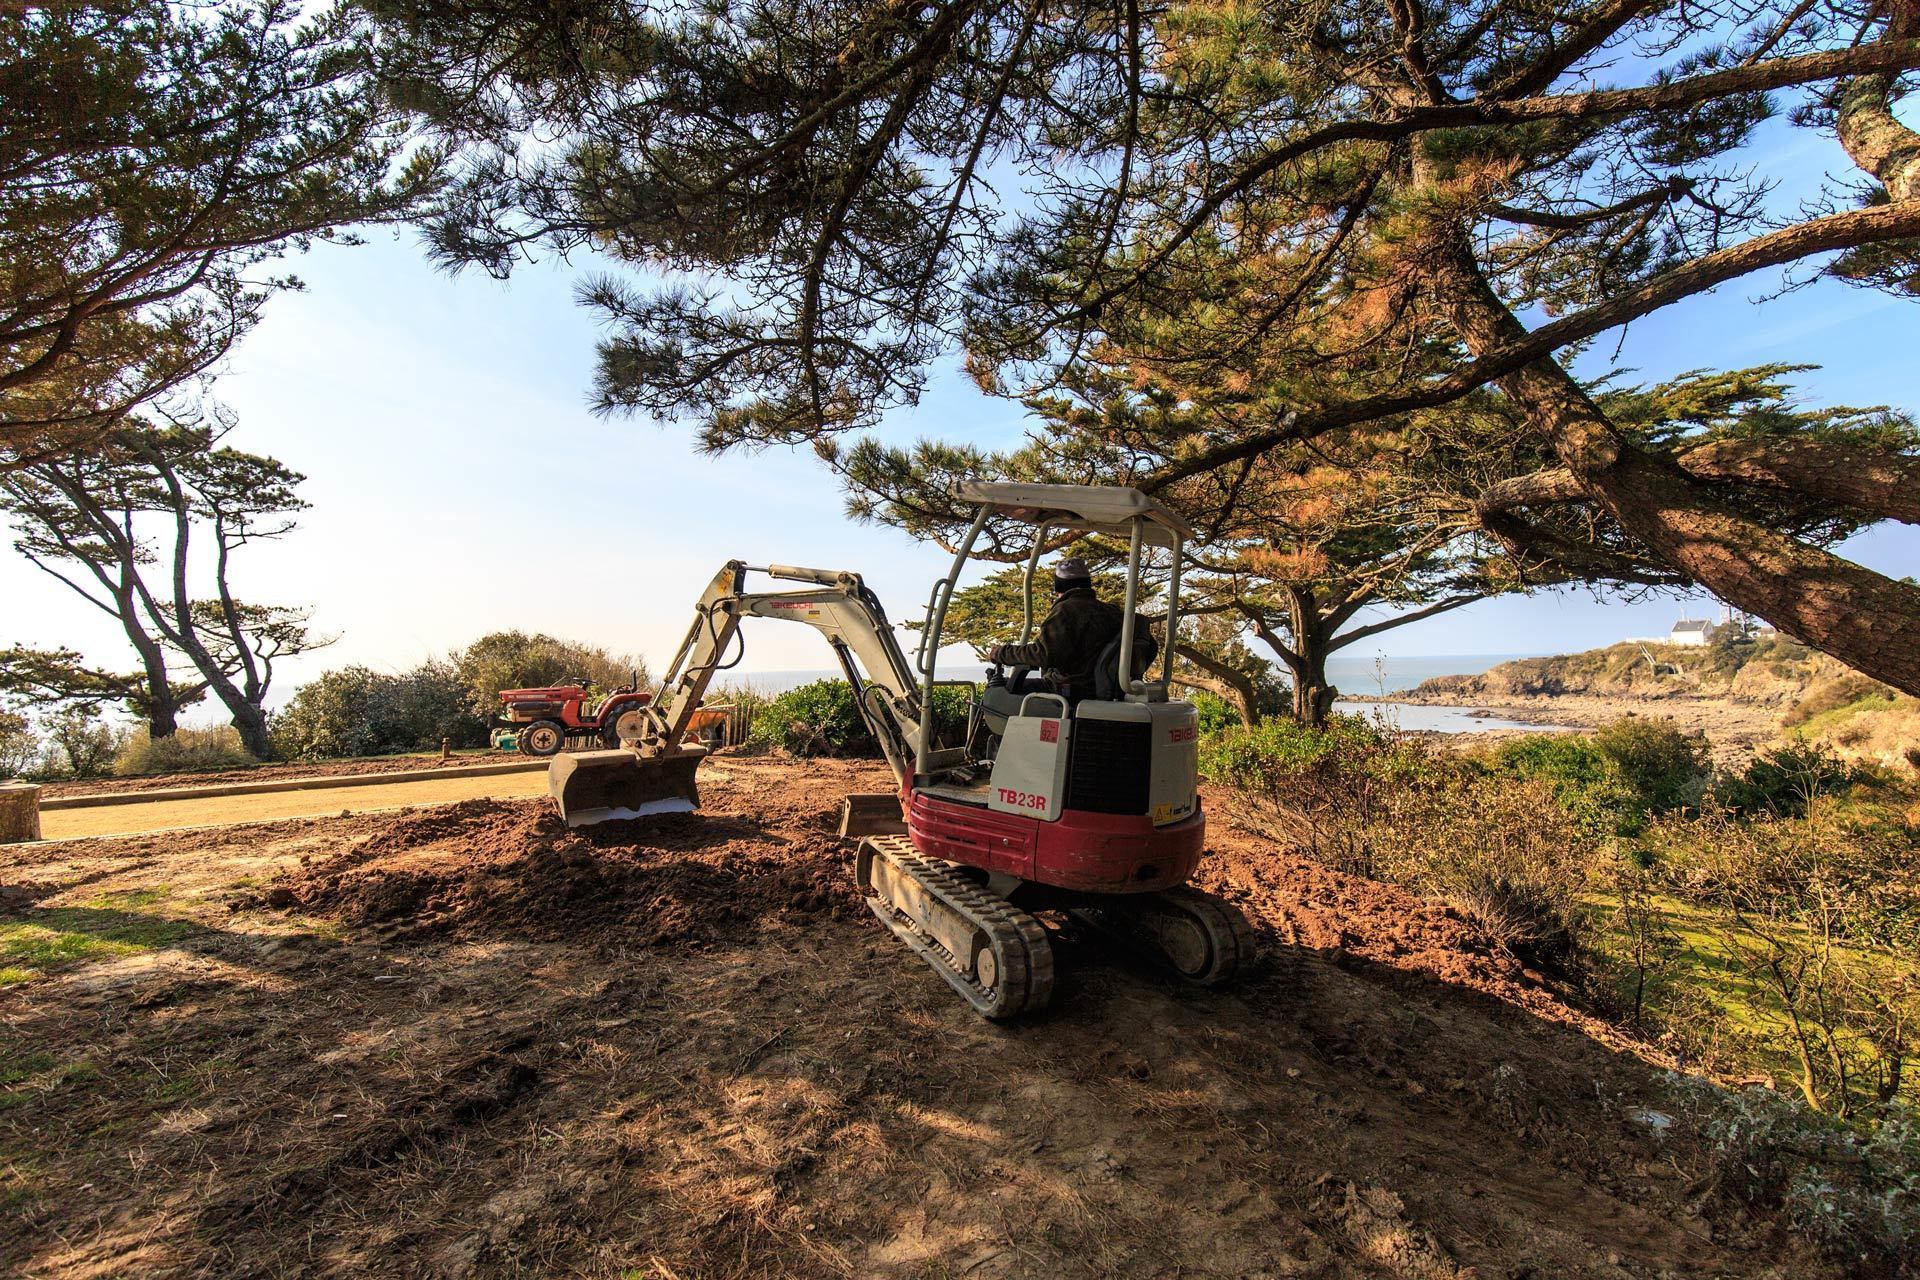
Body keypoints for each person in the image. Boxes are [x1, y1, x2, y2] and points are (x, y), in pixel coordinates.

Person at [987, 558, 1157, 701]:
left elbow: (1044, 654)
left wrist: (1001, 653)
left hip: (1070, 692)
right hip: (1105, 693)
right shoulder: (1112, 612)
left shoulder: (1066, 611)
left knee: (1000, 692)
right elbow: (1152, 647)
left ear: (1059, 587)